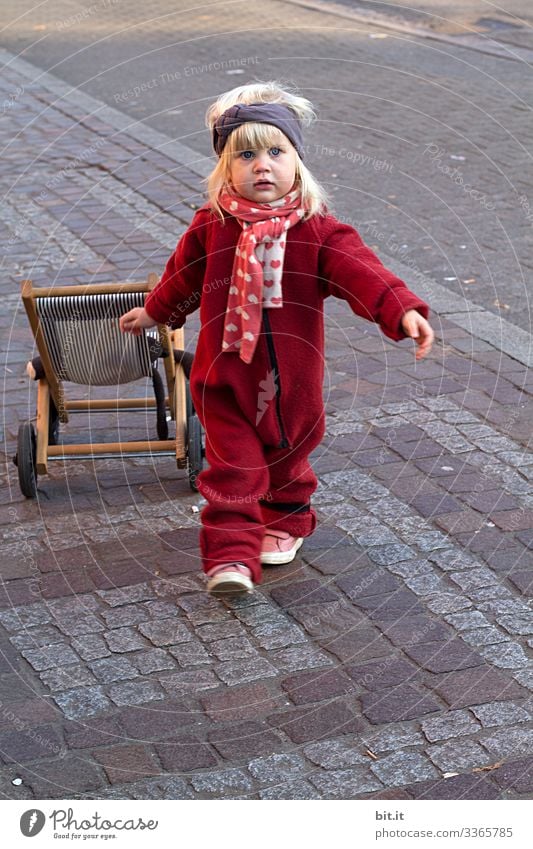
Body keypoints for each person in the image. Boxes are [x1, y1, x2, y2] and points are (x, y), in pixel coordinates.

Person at [119, 81, 434, 597]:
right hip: (223, 378)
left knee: (286, 458)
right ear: (225, 168)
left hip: (293, 384)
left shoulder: (318, 232)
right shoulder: (211, 226)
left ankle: (287, 517)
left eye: (275, 151)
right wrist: (154, 312)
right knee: (233, 469)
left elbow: (365, 275)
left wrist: (401, 313)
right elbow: (182, 279)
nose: (261, 165)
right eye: (245, 155)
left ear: (297, 163)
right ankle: (230, 560)